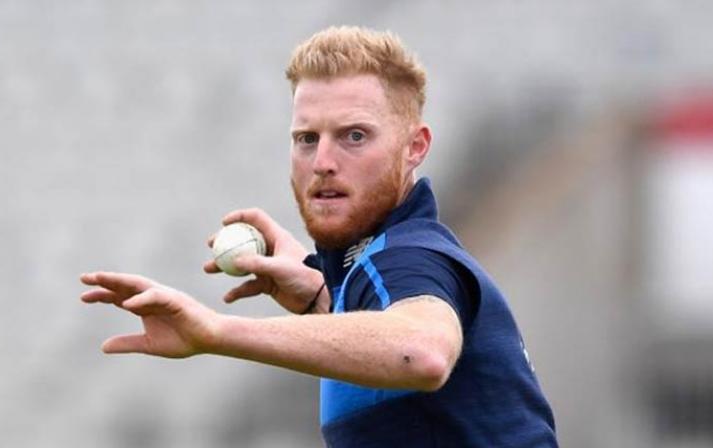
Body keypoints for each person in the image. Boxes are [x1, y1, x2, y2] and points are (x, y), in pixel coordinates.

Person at [80, 26, 557, 447]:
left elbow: (422, 353)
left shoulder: (409, 259)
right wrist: (324, 298)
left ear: (415, 148)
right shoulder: (375, 270)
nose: (323, 161)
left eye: (354, 136)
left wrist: (216, 331)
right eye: (307, 138)